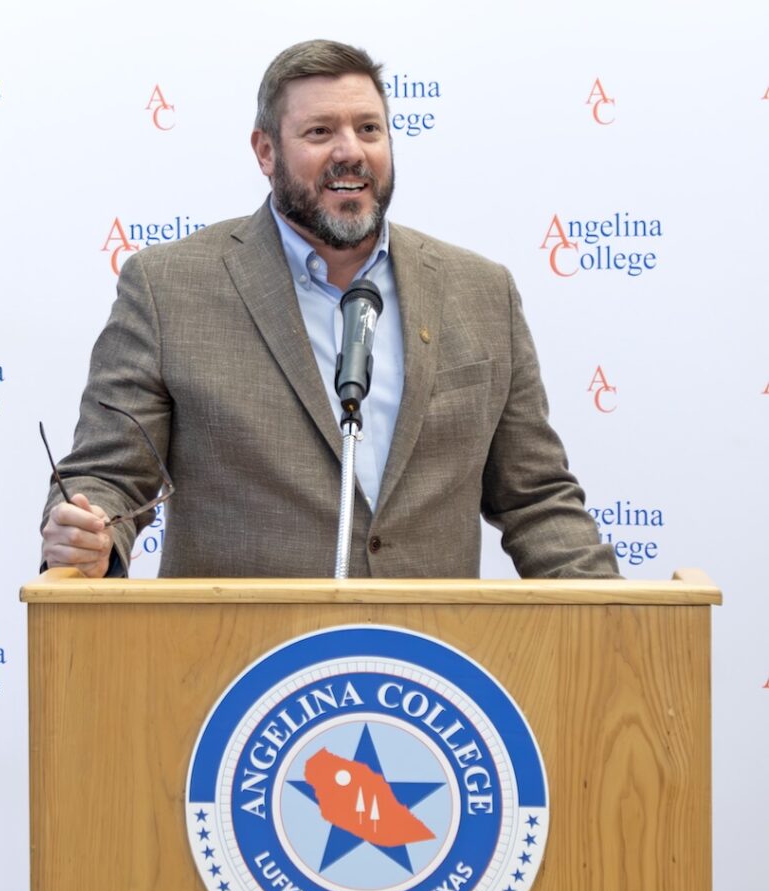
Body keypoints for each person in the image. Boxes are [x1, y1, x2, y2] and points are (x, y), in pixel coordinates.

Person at [41, 39, 618, 580]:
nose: (350, 152)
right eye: (320, 131)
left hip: (427, 672)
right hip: (243, 669)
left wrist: (623, 615)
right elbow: (108, 477)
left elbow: (537, 498)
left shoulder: (482, 292)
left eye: (369, 129)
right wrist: (88, 533)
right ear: (266, 152)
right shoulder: (169, 288)